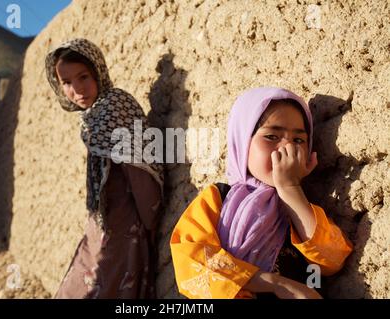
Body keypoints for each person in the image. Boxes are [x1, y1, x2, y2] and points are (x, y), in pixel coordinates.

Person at [170, 87, 353, 299]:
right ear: (243, 144)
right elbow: (192, 262)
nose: (286, 148)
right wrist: (276, 284)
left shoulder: (301, 210)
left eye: (298, 140)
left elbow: (333, 259)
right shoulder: (218, 199)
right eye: (272, 136)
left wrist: (290, 189)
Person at [45, 38, 163, 298]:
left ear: (98, 70)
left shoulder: (115, 107)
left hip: (123, 229)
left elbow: (139, 171)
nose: (77, 89)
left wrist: (150, 225)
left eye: (83, 77)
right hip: (103, 224)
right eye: (66, 82)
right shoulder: (92, 117)